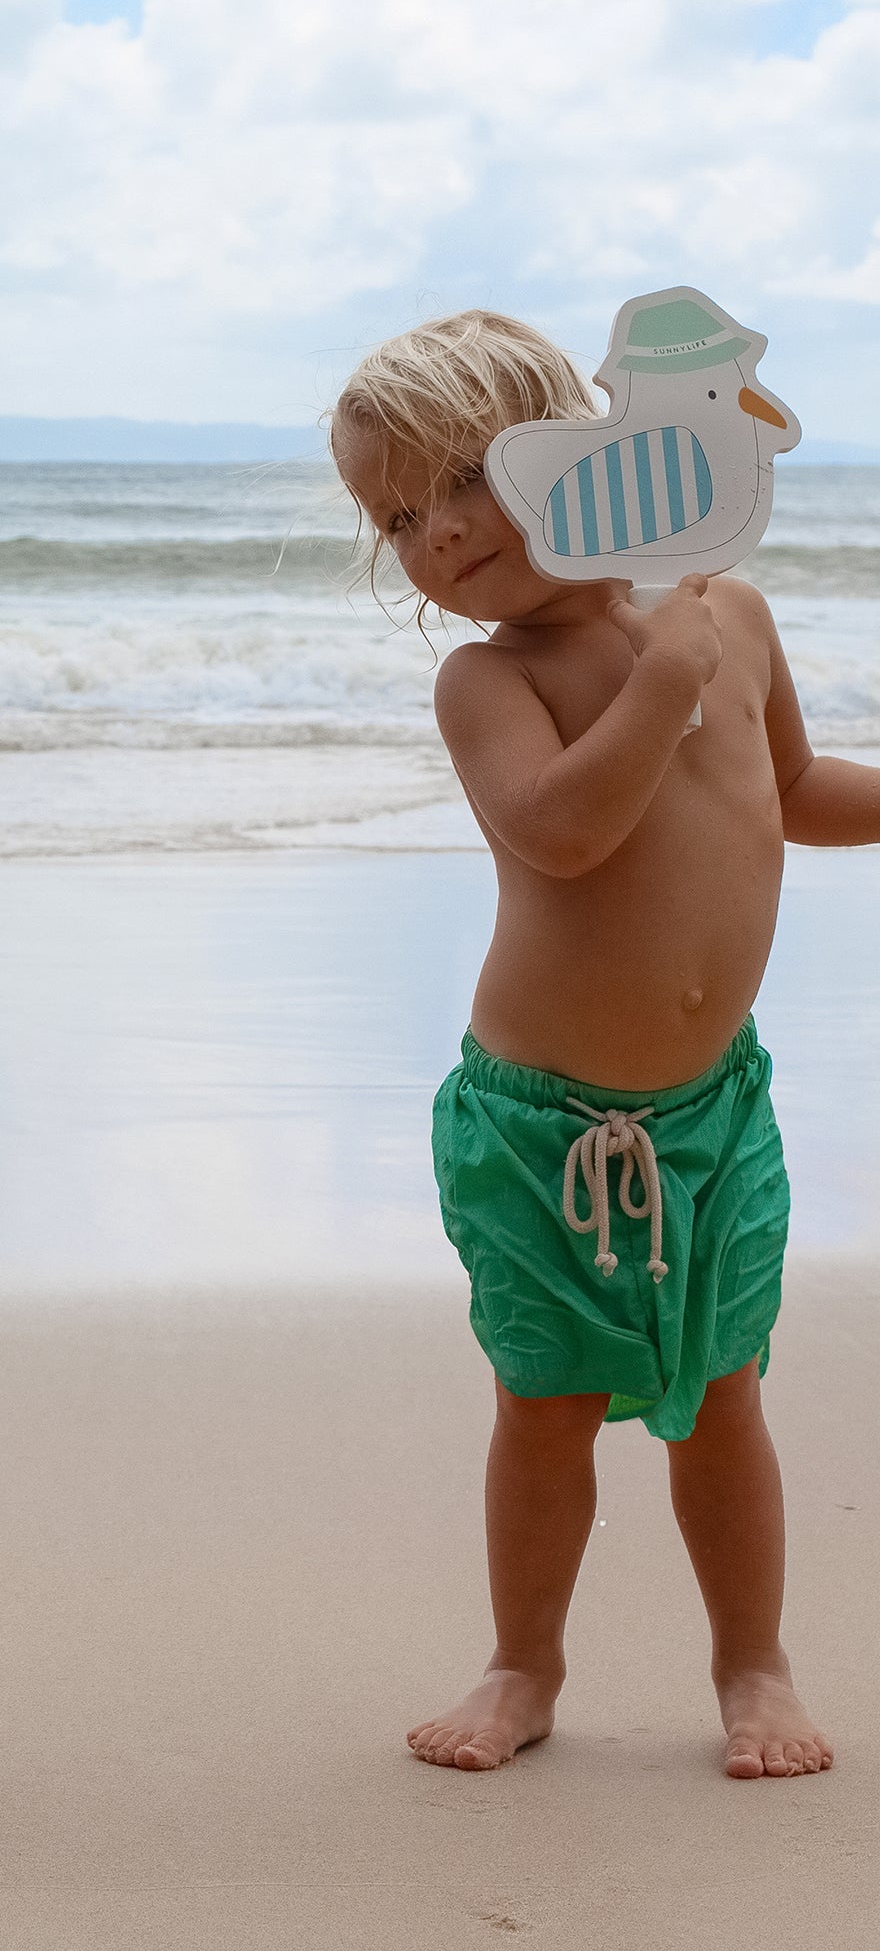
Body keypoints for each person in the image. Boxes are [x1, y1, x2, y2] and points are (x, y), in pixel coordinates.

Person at [331, 309, 880, 1778]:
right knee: (548, 1404)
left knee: (725, 1404)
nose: (434, 534)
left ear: (582, 455)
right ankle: (523, 1663)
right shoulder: (491, 682)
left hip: (716, 1115)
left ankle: (754, 1671)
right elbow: (563, 832)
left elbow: (801, 787)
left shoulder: (731, 619)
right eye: (397, 515)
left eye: (464, 479)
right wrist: (661, 683)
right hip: (538, 1130)